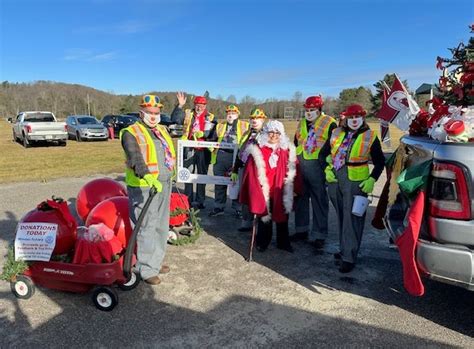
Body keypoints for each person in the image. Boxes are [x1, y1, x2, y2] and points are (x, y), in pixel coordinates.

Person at [319, 104, 385, 273]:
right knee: (342, 216)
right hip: (336, 178)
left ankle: (349, 257)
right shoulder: (336, 133)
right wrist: (327, 169)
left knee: (353, 218)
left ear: (363, 118)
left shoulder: (370, 136)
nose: (354, 120)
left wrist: (372, 179)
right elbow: (323, 154)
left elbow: (379, 162)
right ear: (345, 119)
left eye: (357, 117)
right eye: (351, 118)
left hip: (357, 181)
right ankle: (344, 250)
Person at [120, 94, 177, 285]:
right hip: (145, 186)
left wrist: (171, 173)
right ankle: (145, 269)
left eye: (157, 113)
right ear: (141, 112)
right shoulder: (130, 132)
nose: (153, 116)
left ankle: (156, 261)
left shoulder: (161, 130)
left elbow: (167, 154)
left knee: (161, 225)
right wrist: (147, 177)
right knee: (146, 226)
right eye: (149, 113)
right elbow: (134, 157)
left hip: (164, 184)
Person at [239, 120, 301, 253]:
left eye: (277, 133)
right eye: (271, 132)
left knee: (283, 218)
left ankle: (283, 242)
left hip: (281, 190)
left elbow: (295, 169)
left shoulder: (287, 150)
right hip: (264, 191)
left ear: (281, 134)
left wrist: (295, 188)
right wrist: (254, 191)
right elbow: (249, 172)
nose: (274, 135)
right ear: (266, 133)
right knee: (264, 218)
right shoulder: (258, 150)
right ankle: (263, 241)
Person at [292, 95, 337, 250]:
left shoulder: (329, 122)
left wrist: (326, 163)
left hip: (318, 166)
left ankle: (319, 234)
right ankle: (301, 230)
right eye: (307, 110)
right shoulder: (302, 123)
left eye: (312, 109)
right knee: (300, 198)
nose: (309, 112)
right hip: (301, 164)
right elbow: (296, 141)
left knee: (319, 200)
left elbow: (335, 145)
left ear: (319, 109)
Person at [173, 94, 217, 209]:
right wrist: (180, 106)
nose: (199, 108)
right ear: (194, 105)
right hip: (189, 148)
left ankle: (200, 201)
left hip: (203, 150)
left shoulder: (211, 117)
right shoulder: (188, 114)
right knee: (188, 174)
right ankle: (188, 200)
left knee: (201, 176)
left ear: (205, 106)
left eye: (202, 106)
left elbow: (214, 135)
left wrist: (205, 134)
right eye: (197, 105)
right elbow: (175, 119)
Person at [209, 104, 249, 217]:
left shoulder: (245, 125)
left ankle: (238, 208)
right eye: (228, 113)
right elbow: (211, 138)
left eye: (233, 113)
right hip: (221, 156)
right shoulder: (220, 126)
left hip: (236, 157)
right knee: (219, 182)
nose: (230, 115)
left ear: (238, 114)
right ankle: (219, 206)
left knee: (236, 183)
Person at [230, 108, 267, 231]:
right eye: (252, 118)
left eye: (257, 118)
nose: (254, 121)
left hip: (257, 170)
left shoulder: (266, 134)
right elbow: (240, 151)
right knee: (244, 194)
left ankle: (259, 224)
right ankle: (246, 222)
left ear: (263, 120)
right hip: (244, 168)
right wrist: (235, 169)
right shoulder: (246, 133)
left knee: (256, 196)